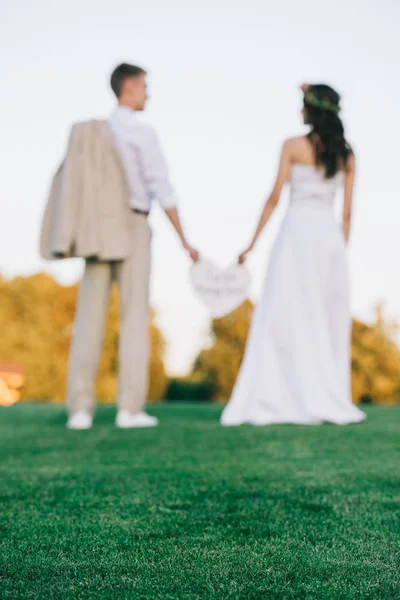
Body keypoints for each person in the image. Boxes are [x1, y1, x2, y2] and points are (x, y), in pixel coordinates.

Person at [41, 63, 198, 429]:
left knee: (88, 319)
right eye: (144, 86)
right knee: (134, 317)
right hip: (132, 224)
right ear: (129, 86)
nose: (148, 93)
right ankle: (130, 409)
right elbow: (161, 186)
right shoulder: (141, 133)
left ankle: (80, 410)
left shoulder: (90, 133)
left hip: (95, 229)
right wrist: (184, 240)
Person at [221, 84, 366, 426]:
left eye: (303, 106)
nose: (299, 112)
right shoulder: (346, 154)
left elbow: (273, 198)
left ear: (311, 111)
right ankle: (325, 394)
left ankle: (284, 393)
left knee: (285, 311)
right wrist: (339, 252)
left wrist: (251, 244)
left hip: (297, 235)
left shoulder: (292, 145)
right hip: (327, 239)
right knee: (323, 315)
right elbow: (346, 215)